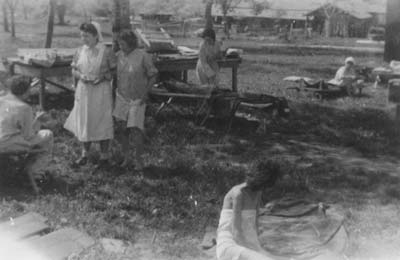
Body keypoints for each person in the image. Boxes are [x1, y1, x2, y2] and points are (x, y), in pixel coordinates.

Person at [64, 22, 116, 168]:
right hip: (84, 90)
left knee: (102, 121)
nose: (83, 39)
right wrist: (80, 75)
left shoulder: (106, 51)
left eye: (86, 36)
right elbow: (73, 69)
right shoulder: (80, 51)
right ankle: (84, 154)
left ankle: (104, 157)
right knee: (84, 120)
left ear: (95, 35)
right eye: (82, 36)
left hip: (101, 91)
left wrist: (103, 77)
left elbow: (114, 71)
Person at [216, 160, 282, 260]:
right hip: (230, 244)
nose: (265, 188)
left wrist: (258, 247)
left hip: (248, 242)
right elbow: (236, 232)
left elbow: (254, 226)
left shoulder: (257, 193)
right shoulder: (238, 194)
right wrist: (252, 251)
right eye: (264, 184)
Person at [113, 31, 158, 170]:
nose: (120, 46)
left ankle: (139, 161)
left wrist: (145, 94)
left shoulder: (143, 56)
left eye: (123, 44)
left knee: (136, 130)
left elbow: (153, 75)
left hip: (137, 99)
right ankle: (126, 158)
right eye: (119, 43)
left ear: (131, 43)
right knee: (122, 129)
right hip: (121, 97)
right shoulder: (118, 56)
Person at [0, 75, 53, 154]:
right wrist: (38, 121)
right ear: (25, 92)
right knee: (48, 134)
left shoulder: (1, 99)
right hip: (8, 144)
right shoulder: (24, 108)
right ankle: (37, 164)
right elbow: (28, 136)